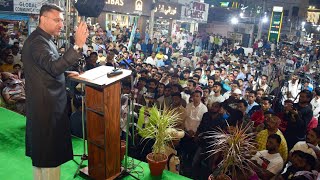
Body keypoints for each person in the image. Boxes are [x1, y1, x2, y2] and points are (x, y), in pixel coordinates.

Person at [22, 4, 88, 179]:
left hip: (45, 107)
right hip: (47, 109)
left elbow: (45, 68)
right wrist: (77, 46)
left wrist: (65, 72)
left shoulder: (44, 39)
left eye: (62, 20)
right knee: (49, 159)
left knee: (42, 159)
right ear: (42, 19)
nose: (61, 24)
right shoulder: (38, 42)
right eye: (57, 20)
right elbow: (52, 66)